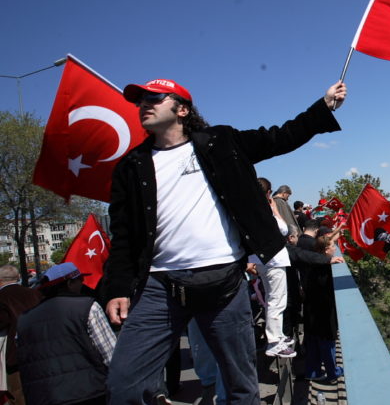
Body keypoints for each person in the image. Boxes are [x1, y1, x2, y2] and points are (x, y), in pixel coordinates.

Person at [103, 78, 346, 404]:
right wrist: (118, 287)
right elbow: (123, 237)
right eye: (141, 100)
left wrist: (324, 105)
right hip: (160, 288)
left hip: (224, 285)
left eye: (154, 98)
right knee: (124, 385)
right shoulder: (131, 167)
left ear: (182, 109)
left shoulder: (221, 142)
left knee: (240, 388)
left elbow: (282, 136)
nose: (144, 104)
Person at [17, 263, 116, 405]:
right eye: (79, 279)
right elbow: (110, 355)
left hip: (42, 397)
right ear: (69, 283)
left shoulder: (25, 319)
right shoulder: (87, 307)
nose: (83, 283)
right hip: (89, 392)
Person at [248, 177, 295, 358]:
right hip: (273, 260)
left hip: (260, 261)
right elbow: (284, 230)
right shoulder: (266, 209)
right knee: (277, 300)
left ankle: (277, 336)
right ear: (268, 193)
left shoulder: (250, 209)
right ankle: (275, 341)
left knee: (270, 299)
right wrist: (275, 210)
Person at [302, 226, 344, 383]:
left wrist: (339, 228)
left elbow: (328, 241)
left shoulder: (314, 261)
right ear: (326, 250)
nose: (335, 249)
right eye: (333, 246)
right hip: (323, 311)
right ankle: (333, 373)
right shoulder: (323, 267)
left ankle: (313, 372)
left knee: (314, 342)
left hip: (311, 310)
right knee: (327, 342)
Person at [0, 265, 42, 405]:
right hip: (40, 349)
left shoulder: (2, 297)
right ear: (18, 277)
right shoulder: (34, 293)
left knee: (18, 394)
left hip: (14, 354)